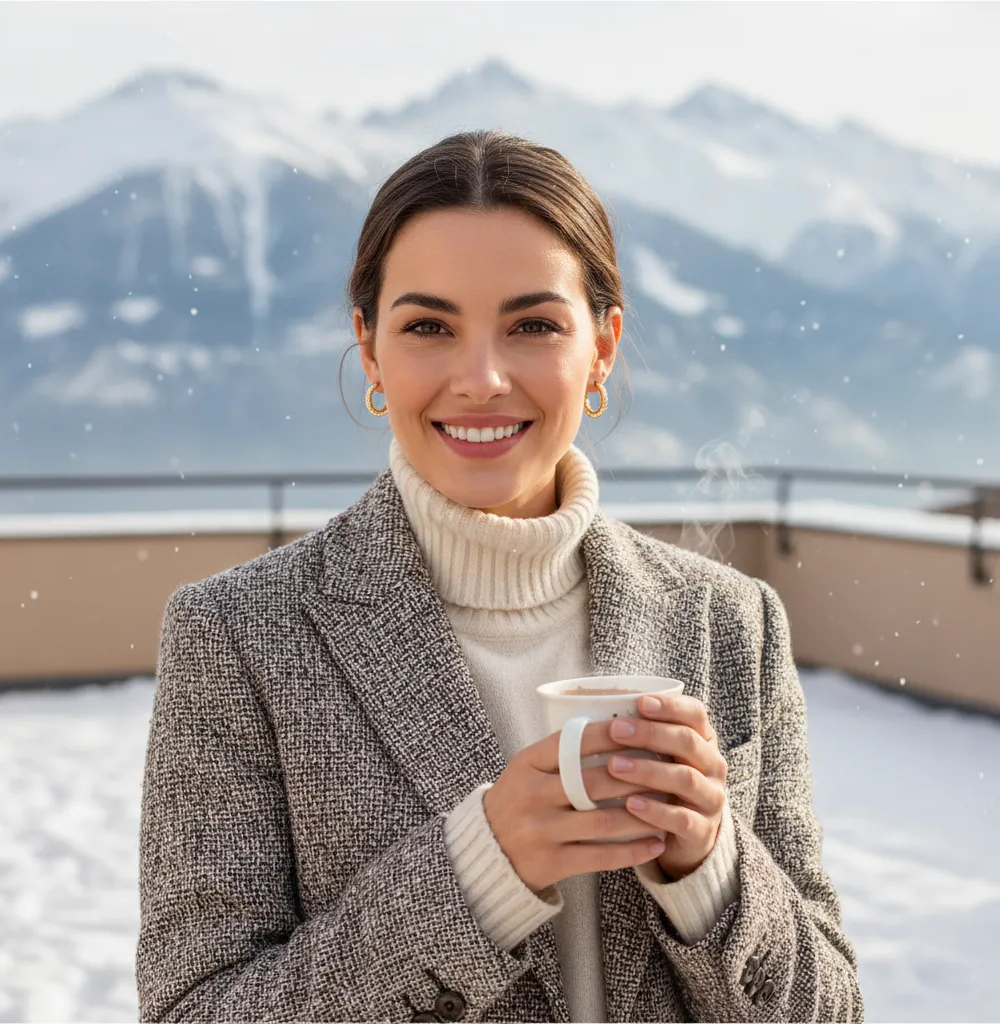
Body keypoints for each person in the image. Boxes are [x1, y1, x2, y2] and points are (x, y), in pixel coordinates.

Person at [136, 129, 862, 1023]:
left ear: (601, 347)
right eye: (429, 327)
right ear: (369, 350)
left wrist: (711, 868)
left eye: (533, 326)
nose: (480, 379)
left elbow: (830, 1009)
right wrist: (476, 871)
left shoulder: (732, 623)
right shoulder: (239, 637)